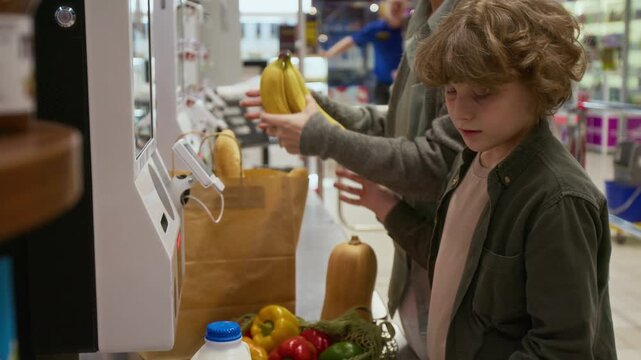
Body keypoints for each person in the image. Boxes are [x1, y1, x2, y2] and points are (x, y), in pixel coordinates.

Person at [262, 0, 619, 357]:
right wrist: (387, 208)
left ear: (541, 81)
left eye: (483, 93)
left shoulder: (558, 201)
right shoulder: (471, 161)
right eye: (450, 91)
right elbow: (451, 260)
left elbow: (562, 350)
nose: (460, 111)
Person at [242, 1, 463, 358]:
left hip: (454, 293)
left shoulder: (473, 25)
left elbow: (438, 165)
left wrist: (325, 138)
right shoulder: (422, 20)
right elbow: (399, 126)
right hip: (418, 284)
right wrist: (323, 111)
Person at [321, 0, 408, 104]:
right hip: (382, 84)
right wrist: (329, 53)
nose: (395, 8)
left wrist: (404, 72)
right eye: (392, 4)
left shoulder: (411, 28)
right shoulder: (377, 28)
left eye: (398, 4)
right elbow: (351, 40)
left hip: (405, 84)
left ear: (405, 6)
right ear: (386, 6)